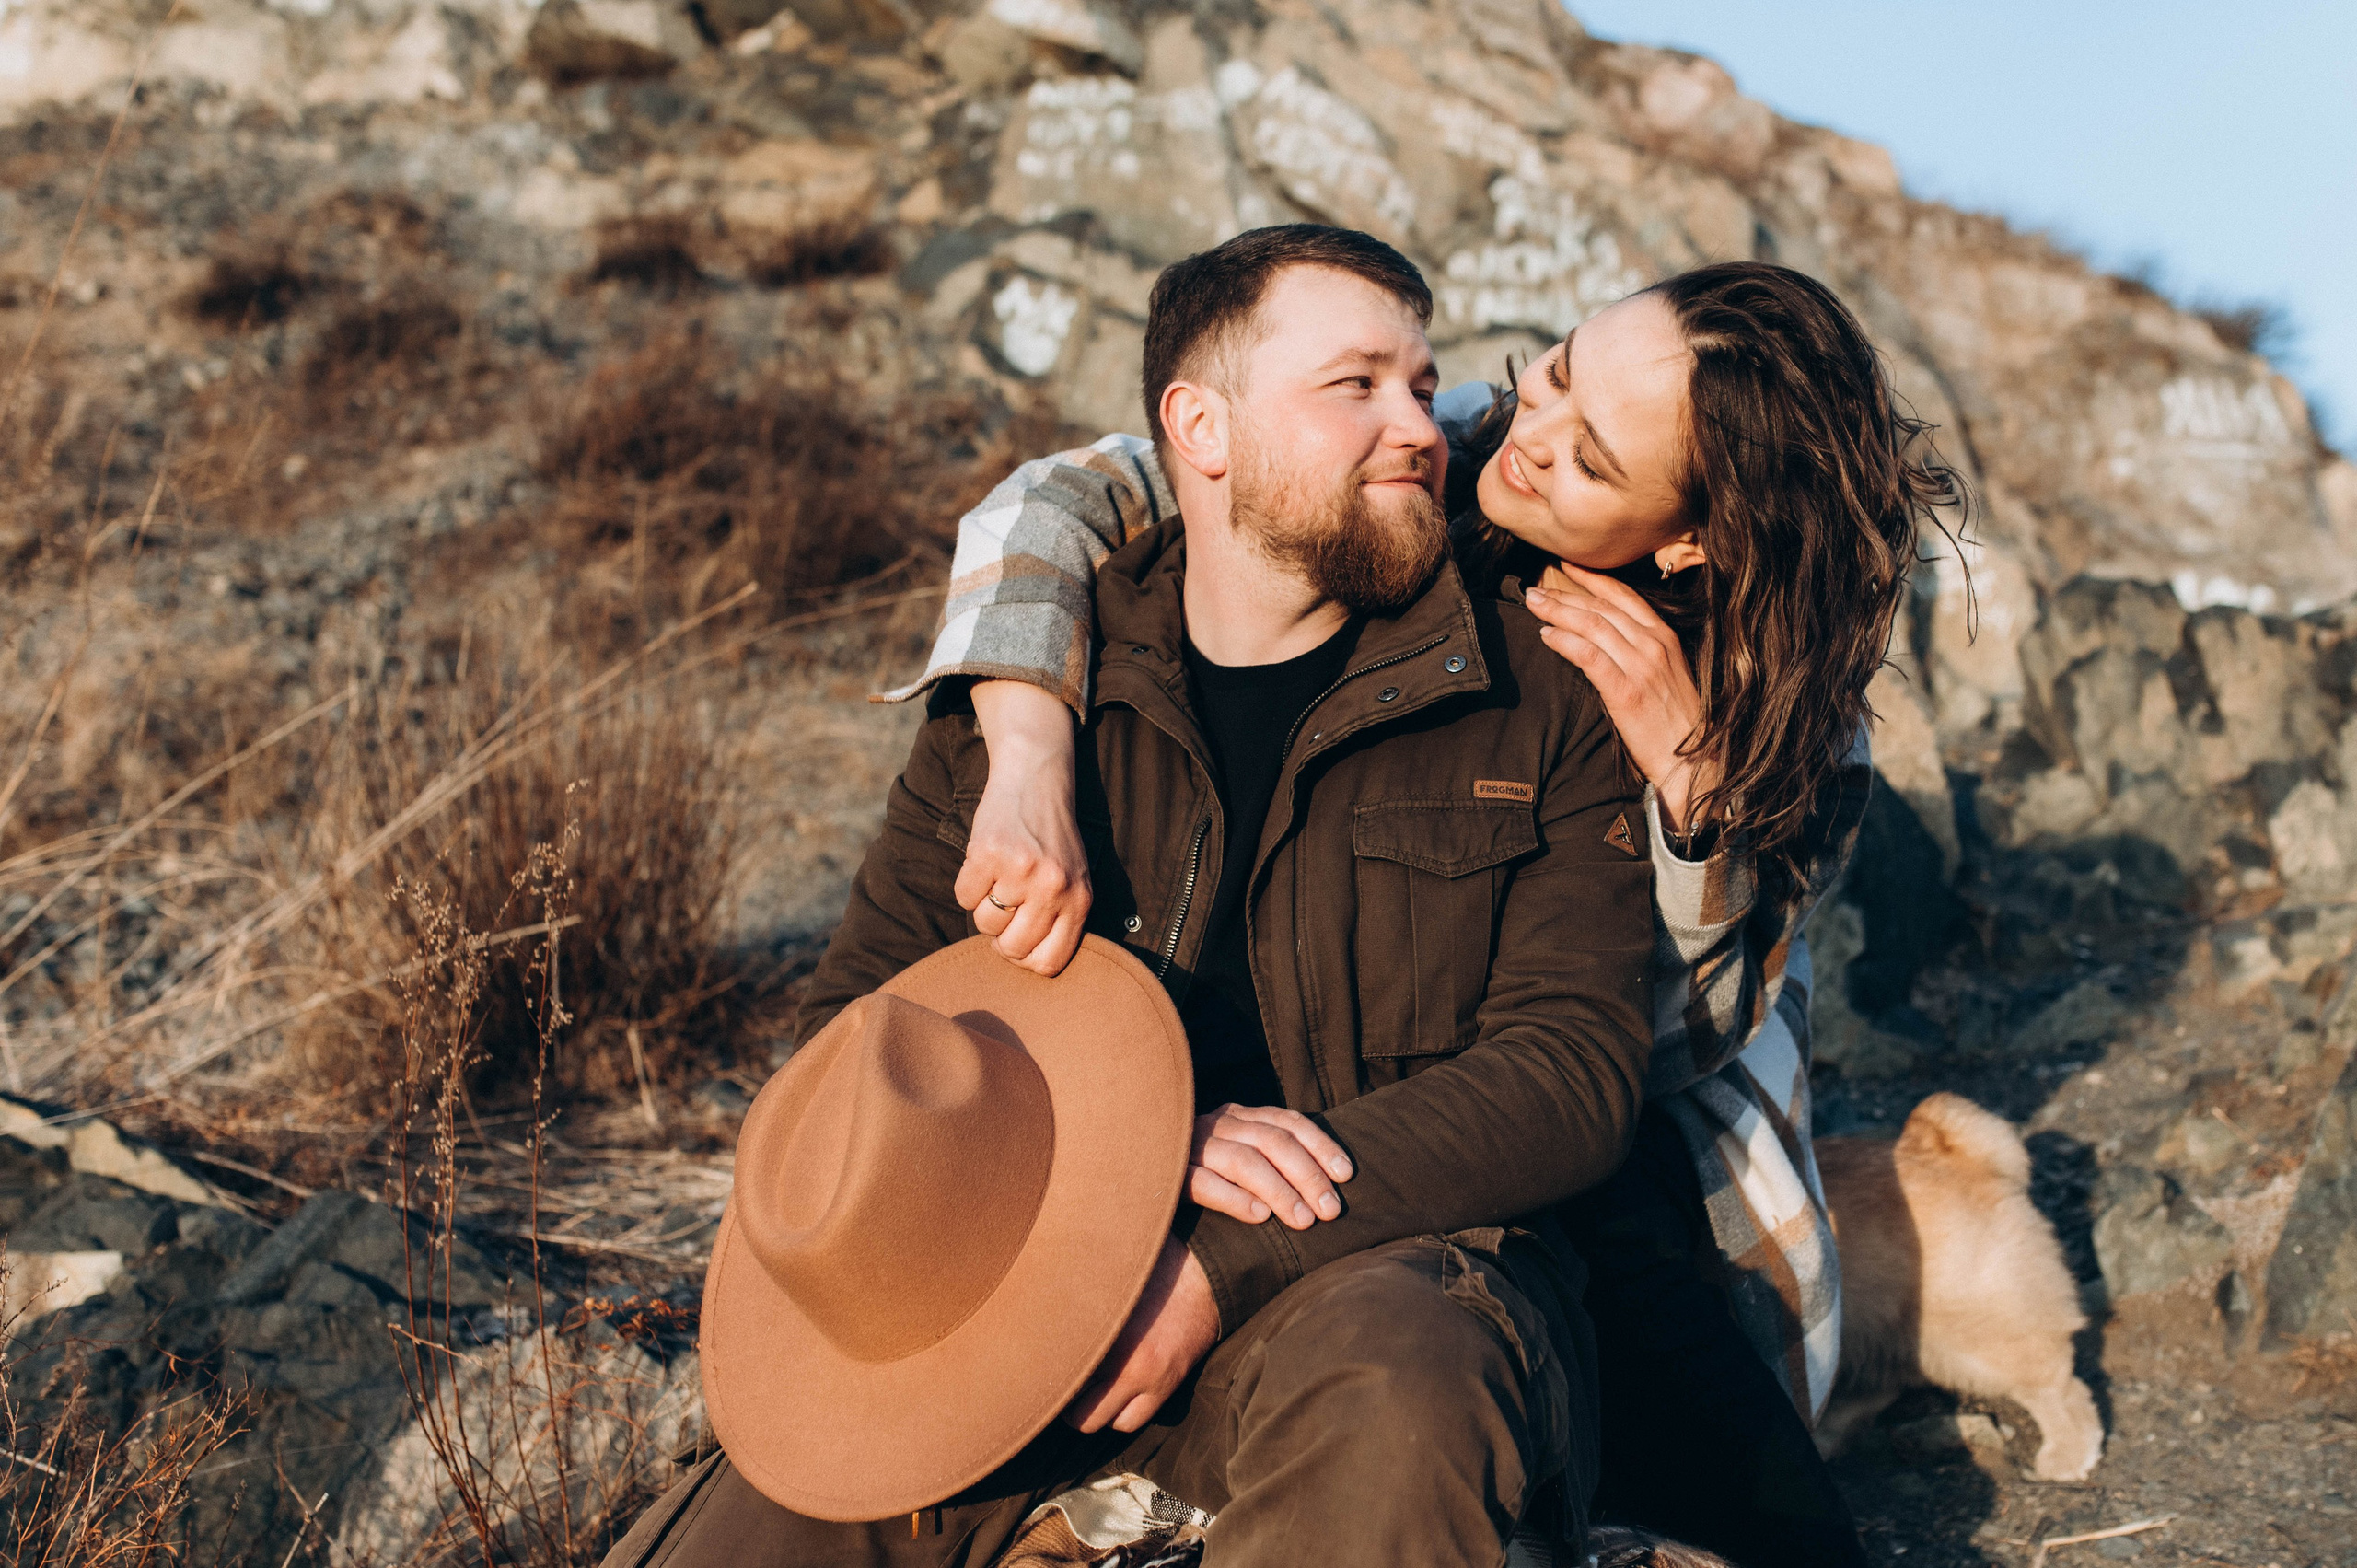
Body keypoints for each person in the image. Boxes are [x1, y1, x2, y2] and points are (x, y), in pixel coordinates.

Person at [603, 225, 1657, 1567]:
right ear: (1199, 429)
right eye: (1356, 385)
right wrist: (1137, 1147)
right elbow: (852, 1045)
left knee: (1398, 1388)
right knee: (771, 1512)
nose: (1420, 428)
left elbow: (1571, 1073)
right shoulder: (1028, 704)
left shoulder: (1537, 686)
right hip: (1019, 1291)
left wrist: (1219, 1265)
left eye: (1424, 379)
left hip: (1369, 1284)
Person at [907, 258, 1965, 1567]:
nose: (1527, 443)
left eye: (1588, 460)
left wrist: (1692, 803)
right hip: (1355, 1050)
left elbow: (1672, 1048)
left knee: (1722, 1471)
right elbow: (1066, 496)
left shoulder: (1776, 712)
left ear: (1687, 538)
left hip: (1608, 1129)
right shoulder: (1444, 447)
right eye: (1556, 375)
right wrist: (1023, 749)